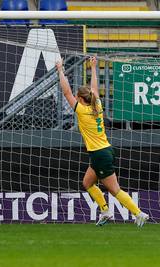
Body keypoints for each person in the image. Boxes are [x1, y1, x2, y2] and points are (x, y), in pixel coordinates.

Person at [56, 57, 149, 227]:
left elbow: (66, 92)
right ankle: (105, 211)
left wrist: (60, 70)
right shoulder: (97, 104)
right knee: (87, 183)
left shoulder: (82, 111)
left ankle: (138, 213)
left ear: (81, 99)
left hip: (100, 154)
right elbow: (94, 88)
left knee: (114, 190)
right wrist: (93, 67)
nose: (75, 98)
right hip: (104, 150)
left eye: (77, 97)